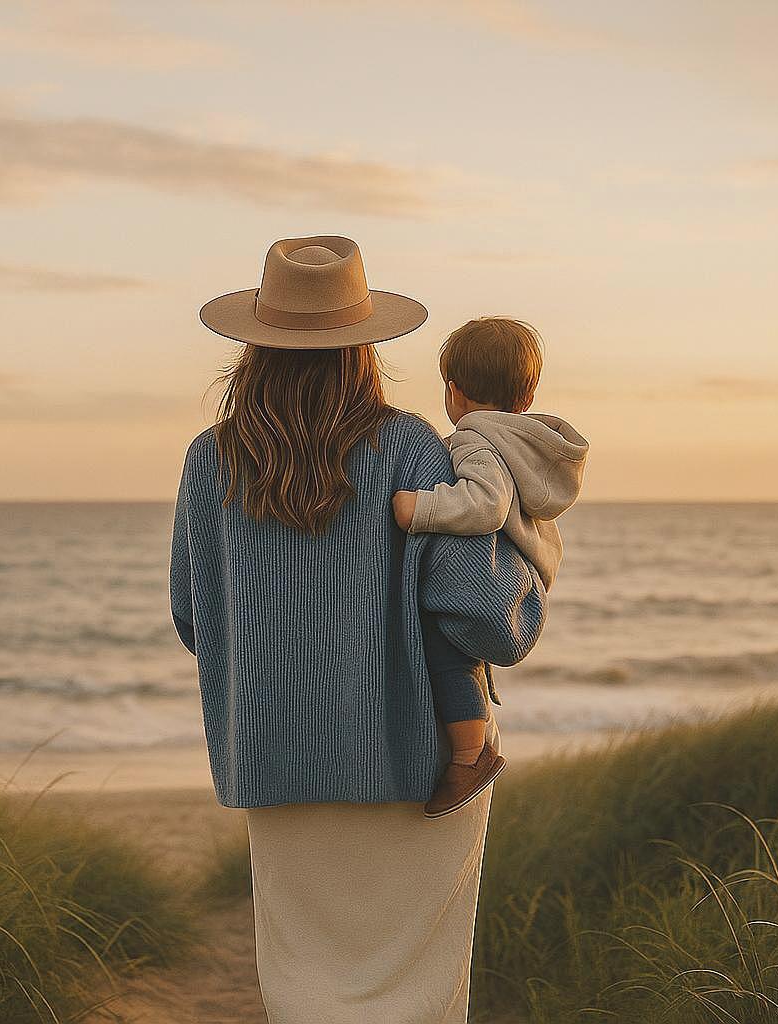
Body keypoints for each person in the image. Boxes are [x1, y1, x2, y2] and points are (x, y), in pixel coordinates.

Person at [171, 235, 546, 1023]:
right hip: (416, 766)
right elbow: (482, 617)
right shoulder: (410, 445)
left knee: (304, 986)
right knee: (414, 990)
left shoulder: (210, 460)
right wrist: (532, 571)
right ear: (364, 347)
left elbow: (194, 618)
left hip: (272, 760)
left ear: (255, 346)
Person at [393, 317, 588, 817]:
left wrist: (421, 508)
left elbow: (486, 505)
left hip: (497, 580)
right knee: (463, 655)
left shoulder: (474, 439)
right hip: (526, 578)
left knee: (445, 654)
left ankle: (468, 758)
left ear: (453, 393)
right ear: (525, 398)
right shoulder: (525, 442)